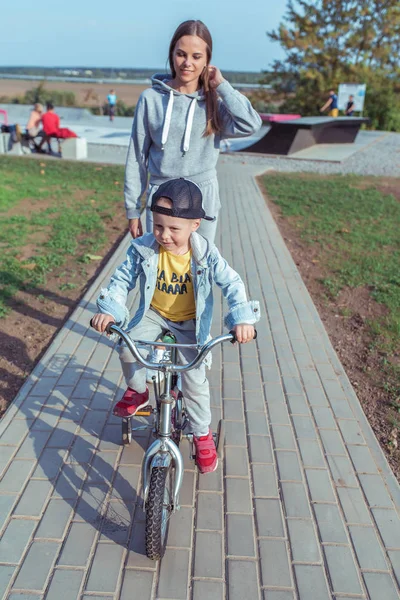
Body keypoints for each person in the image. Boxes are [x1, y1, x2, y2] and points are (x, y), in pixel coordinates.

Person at [91, 178, 260, 474]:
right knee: (128, 346)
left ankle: (201, 433)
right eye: (158, 226)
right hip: (153, 314)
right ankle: (138, 390)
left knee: (194, 381)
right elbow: (121, 280)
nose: (164, 235)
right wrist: (111, 312)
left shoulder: (205, 254)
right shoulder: (143, 249)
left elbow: (232, 283)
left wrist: (242, 319)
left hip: (190, 323)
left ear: (195, 225)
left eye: (173, 229)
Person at [124, 19, 262, 245]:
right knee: (159, 272)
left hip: (202, 197)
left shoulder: (213, 103)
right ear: (172, 54)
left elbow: (251, 124)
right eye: (181, 54)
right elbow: (137, 156)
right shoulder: (151, 99)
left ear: (208, 61)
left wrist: (222, 86)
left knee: (199, 271)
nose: (187, 63)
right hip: (162, 197)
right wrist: (132, 208)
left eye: (196, 56)